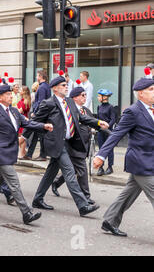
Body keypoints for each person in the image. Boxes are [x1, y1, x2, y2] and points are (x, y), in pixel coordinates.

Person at [30, 75, 109, 217]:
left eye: (66, 85)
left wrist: (97, 123)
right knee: (69, 172)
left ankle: (37, 199)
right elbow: (34, 122)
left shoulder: (70, 102)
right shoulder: (48, 103)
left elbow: (81, 118)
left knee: (51, 173)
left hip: (68, 142)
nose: (66, 87)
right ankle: (83, 205)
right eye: (62, 85)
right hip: (56, 143)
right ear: (54, 88)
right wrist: (44, 128)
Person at [0, 84, 52, 224]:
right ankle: (27, 212)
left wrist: (43, 126)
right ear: (0, 97)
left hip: (10, 152)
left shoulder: (14, 111)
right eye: (8, 94)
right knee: (14, 183)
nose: (11, 96)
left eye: (11, 94)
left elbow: (27, 123)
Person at [93, 78, 154, 237]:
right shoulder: (133, 111)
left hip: (149, 160)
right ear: (141, 93)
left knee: (128, 193)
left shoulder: (151, 109)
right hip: (141, 162)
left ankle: (110, 220)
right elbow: (116, 134)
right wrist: (101, 154)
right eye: (152, 89)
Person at [51, 87, 101, 205]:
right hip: (73, 146)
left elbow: (92, 123)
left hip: (84, 146)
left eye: (85, 95)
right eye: (82, 95)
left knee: (72, 170)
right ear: (74, 98)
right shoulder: (69, 110)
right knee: (82, 170)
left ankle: (56, 183)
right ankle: (86, 196)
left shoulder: (86, 111)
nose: (85, 97)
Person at [22, 70, 50, 161]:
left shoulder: (42, 87)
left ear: (41, 77)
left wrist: (35, 112)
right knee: (36, 133)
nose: (36, 78)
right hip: (43, 114)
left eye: (37, 76)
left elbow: (40, 102)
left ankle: (42, 155)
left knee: (31, 129)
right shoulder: (46, 86)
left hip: (40, 114)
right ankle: (30, 154)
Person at [96, 89, 116, 176]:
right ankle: (101, 167)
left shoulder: (110, 107)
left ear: (104, 97)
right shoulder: (99, 107)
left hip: (108, 131)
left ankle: (110, 167)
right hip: (100, 131)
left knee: (109, 149)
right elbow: (98, 118)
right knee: (101, 149)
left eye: (99, 96)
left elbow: (113, 119)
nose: (98, 97)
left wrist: (107, 126)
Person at [17, 85, 31, 158]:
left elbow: (19, 111)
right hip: (20, 121)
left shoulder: (25, 101)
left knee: (22, 137)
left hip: (23, 120)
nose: (19, 90)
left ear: (24, 92)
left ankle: (22, 153)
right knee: (21, 137)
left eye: (20, 90)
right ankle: (23, 152)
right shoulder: (23, 100)